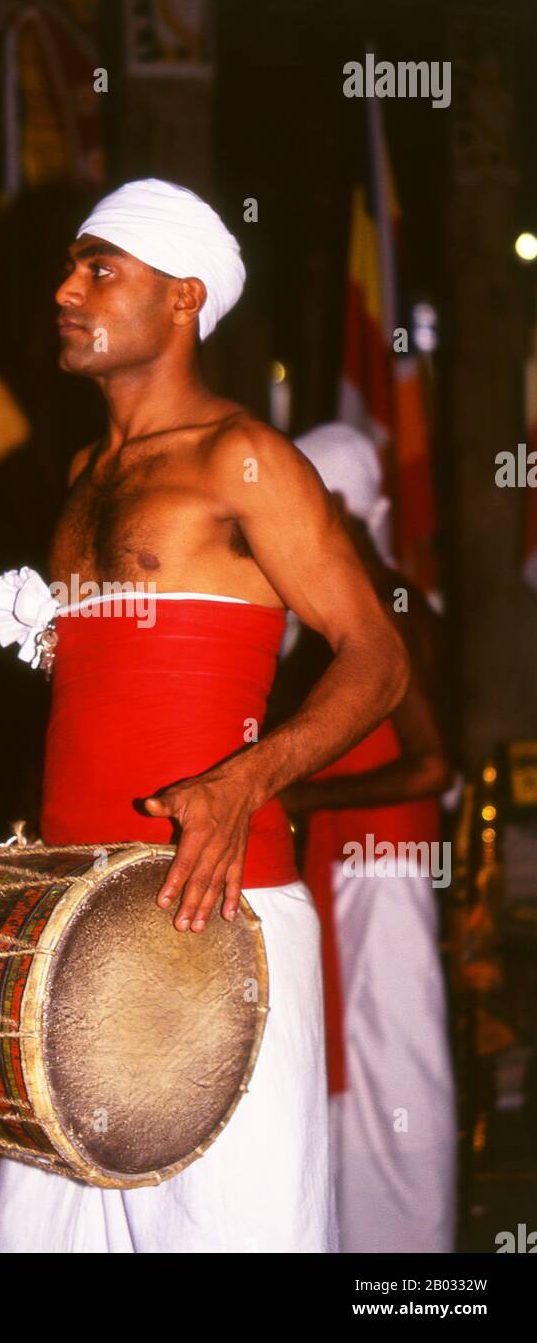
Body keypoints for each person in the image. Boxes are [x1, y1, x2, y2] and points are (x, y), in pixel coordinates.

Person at [0, 178, 408, 1253]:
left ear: (182, 297)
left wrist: (245, 778)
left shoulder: (243, 457)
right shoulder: (84, 474)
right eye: (72, 267)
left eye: (99, 269)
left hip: (213, 914)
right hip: (75, 919)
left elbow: (378, 657)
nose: (64, 290)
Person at [275, 422, 457, 1254]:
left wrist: (296, 790)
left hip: (384, 871)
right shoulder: (341, 608)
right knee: (351, 1084)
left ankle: (410, 1268)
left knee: (397, 1076)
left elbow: (429, 767)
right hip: (348, 869)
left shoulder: (385, 606)